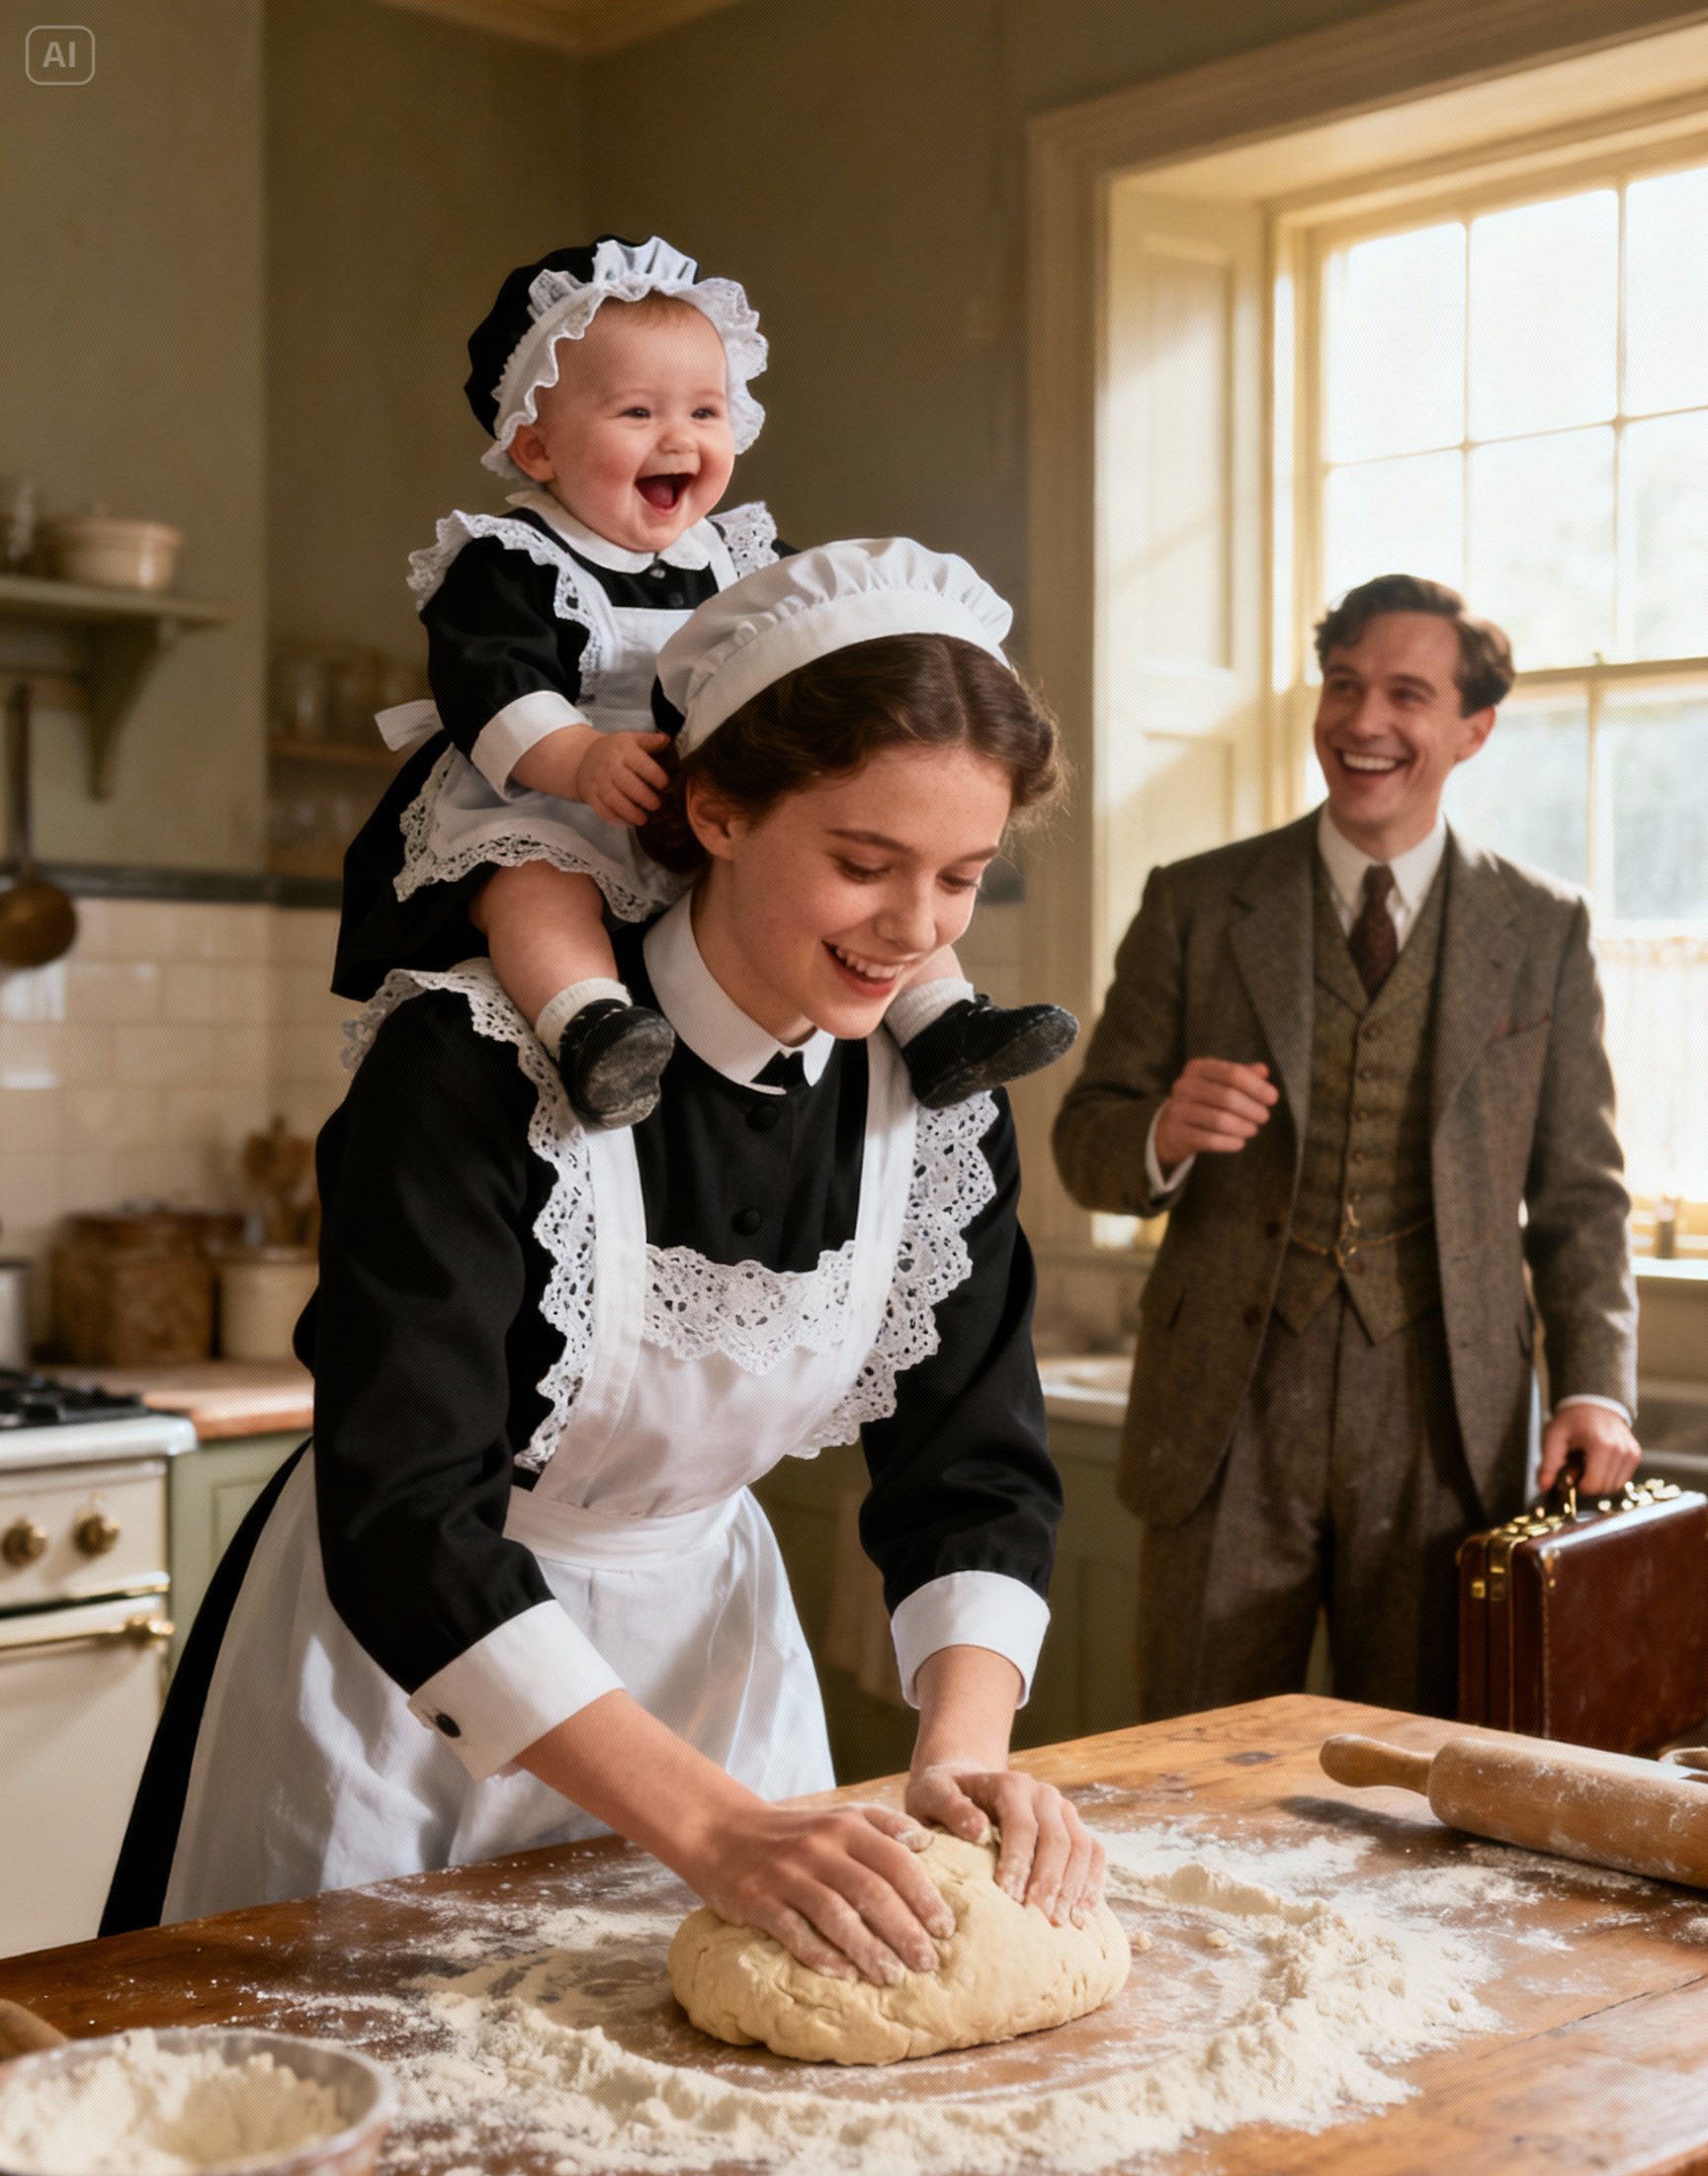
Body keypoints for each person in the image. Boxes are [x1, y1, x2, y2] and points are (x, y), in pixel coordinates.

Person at [106, 538, 1103, 1978]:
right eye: (864, 864)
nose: (917, 931)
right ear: (716, 810)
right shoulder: (467, 1061)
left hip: (715, 1674)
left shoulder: (930, 1108)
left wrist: (964, 1749)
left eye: (962, 878)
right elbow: (403, 1517)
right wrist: (714, 1831)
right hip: (399, 1688)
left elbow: (974, 1464)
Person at [1052, 573, 1639, 1721]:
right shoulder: (1198, 902)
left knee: (1420, 1780)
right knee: (1189, 1757)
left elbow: (1582, 1196)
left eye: (1407, 695)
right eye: (1344, 684)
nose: (1364, 721)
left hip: (1446, 1421)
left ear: (1473, 729)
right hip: (1225, 1413)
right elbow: (1084, 1141)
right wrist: (1161, 1132)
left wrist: (1596, 1388)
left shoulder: (1543, 931)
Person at [335, 234, 1075, 1129]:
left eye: (705, 412)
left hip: (692, 792)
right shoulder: (511, 559)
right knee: (534, 883)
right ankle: (590, 1025)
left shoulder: (744, 554)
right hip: (545, 790)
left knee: (891, 879)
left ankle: (946, 1025)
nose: (679, 437)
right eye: (638, 413)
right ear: (535, 446)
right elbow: (485, 678)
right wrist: (577, 760)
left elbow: (824, 647)